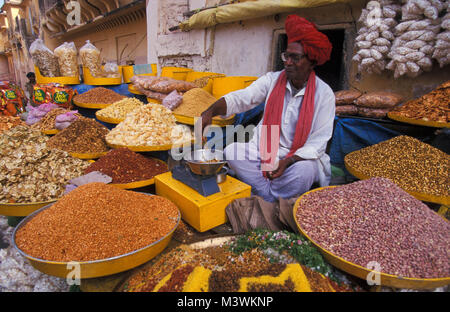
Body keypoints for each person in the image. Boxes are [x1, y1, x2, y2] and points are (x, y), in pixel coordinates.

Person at [200, 15, 335, 203]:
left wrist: (288, 161)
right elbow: (243, 98)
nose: (288, 62)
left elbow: (318, 142)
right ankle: (270, 196)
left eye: (295, 58)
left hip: (295, 158)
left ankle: (265, 195)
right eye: (286, 56)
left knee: (307, 171)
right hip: (264, 150)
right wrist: (210, 111)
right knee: (232, 151)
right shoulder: (272, 80)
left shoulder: (324, 94)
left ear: (311, 61)